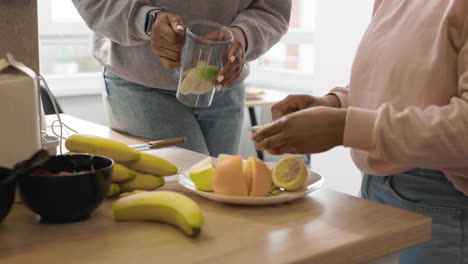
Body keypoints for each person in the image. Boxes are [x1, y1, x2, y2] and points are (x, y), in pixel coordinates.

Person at [252, 0, 468, 263]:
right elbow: (396, 84)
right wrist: (334, 102)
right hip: (376, 189)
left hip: (443, 201)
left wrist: (344, 127)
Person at [72, 1, 291, 156]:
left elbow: (273, 10)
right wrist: (147, 20)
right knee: (187, 197)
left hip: (224, 86)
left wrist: (242, 36)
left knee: (223, 198)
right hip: (140, 83)